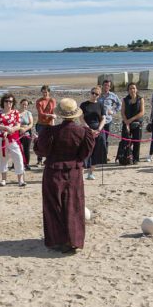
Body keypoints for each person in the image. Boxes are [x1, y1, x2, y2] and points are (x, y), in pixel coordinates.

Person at [36, 98, 96, 254]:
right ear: (75, 114)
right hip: (73, 172)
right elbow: (85, 154)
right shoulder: (83, 132)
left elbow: (40, 151)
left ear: (60, 114)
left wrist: (40, 138)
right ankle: (73, 240)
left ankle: (58, 240)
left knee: (54, 205)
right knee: (73, 205)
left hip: (53, 171)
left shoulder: (51, 131)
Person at [0, 93, 26, 187]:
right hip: (1, 139)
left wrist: (10, 130)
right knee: (2, 158)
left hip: (13, 139)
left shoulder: (16, 112)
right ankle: (3, 179)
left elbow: (18, 125)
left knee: (18, 157)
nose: (9, 103)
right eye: (7, 101)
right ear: (3, 102)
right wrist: (6, 128)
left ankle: (20, 180)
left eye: (11, 101)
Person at [80, 87, 106, 180]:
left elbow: (103, 118)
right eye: (93, 93)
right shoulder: (84, 105)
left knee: (97, 151)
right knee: (85, 151)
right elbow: (81, 118)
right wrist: (89, 129)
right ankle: (81, 174)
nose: (94, 95)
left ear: (99, 96)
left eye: (97, 94)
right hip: (87, 130)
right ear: (90, 93)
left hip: (98, 131)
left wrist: (99, 129)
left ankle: (91, 172)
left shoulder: (100, 105)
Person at [120, 82, 145, 164]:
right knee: (125, 141)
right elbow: (122, 112)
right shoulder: (124, 100)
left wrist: (131, 120)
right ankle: (125, 157)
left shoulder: (140, 99)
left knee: (137, 141)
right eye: (130, 88)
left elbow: (142, 112)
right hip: (126, 123)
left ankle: (135, 158)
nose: (132, 90)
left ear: (136, 89)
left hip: (137, 123)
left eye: (134, 88)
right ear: (128, 90)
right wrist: (126, 122)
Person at [97, 78, 121, 162]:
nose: (106, 87)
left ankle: (104, 156)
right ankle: (97, 156)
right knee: (98, 138)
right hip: (98, 120)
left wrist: (113, 111)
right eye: (105, 85)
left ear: (110, 87)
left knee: (105, 139)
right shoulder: (97, 94)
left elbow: (119, 105)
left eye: (108, 86)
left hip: (107, 120)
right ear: (102, 86)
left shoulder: (113, 95)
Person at [35, 85, 57, 166]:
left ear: (49, 92)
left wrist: (53, 119)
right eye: (43, 92)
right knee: (40, 142)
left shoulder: (52, 100)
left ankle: (48, 159)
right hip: (41, 124)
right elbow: (41, 114)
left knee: (50, 142)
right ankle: (39, 160)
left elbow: (54, 111)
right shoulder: (39, 101)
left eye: (46, 92)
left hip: (50, 124)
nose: (45, 94)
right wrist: (51, 116)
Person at [17, 98, 35, 170]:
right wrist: (20, 128)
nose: (24, 106)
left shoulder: (28, 113)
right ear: (20, 104)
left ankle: (27, 164)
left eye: (26, 105)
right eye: (23, 104)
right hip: (17, 133)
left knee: (26, 149)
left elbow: (31, 124)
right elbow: (13, 123)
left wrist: (25, 129)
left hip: (27, 134)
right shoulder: (16, 113)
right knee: (17, 149)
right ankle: (15, 164)